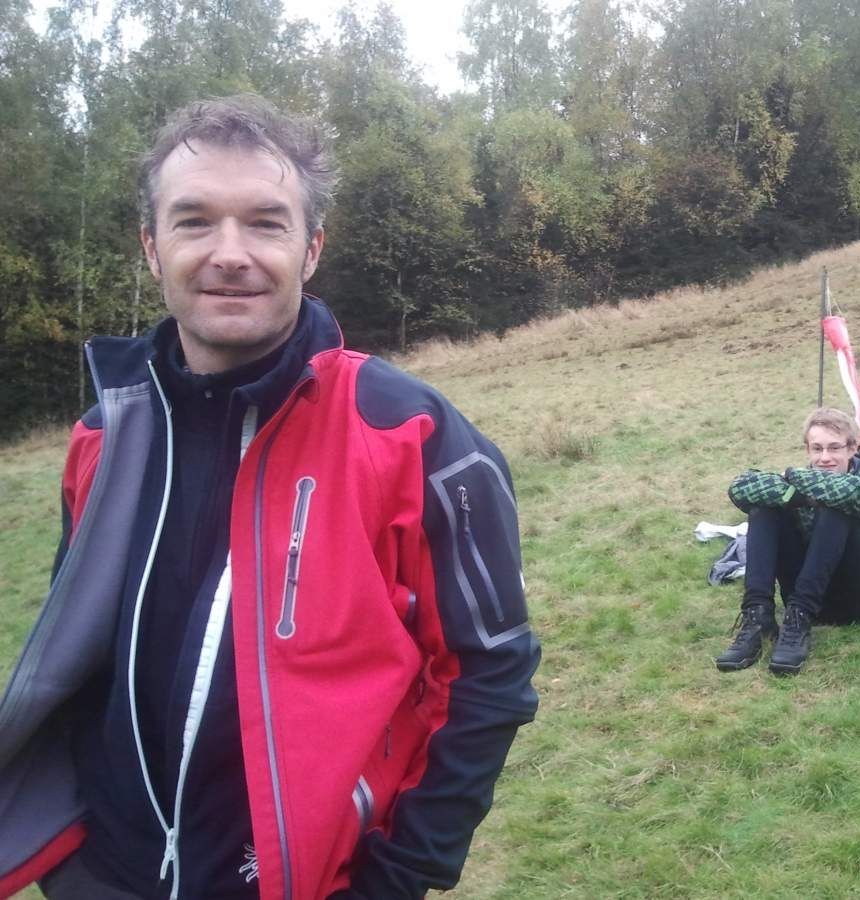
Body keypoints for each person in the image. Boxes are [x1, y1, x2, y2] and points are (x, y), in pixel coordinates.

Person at [0, 95, 540, 900]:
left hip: (306, 881)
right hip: (99, 873)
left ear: (310, 248)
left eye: (265, 223)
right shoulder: (100, 437)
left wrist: (397, 877)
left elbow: (489, 673)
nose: (230, 254)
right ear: (151, 248)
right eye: (193, 222)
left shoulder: (411, 435)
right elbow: (74, 654)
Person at [716, 407, 860, 676]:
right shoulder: (804, 483)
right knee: (764, 507)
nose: (825, 457)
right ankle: (758, 618)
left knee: (836, 507)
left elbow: (846, 491)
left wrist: (791, 479)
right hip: (813, 594)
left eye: (834, 448)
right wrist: (796, 496)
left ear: (853, 448)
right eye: (817, 449)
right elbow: (740, 487)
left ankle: (800, 616)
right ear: (808, 449)